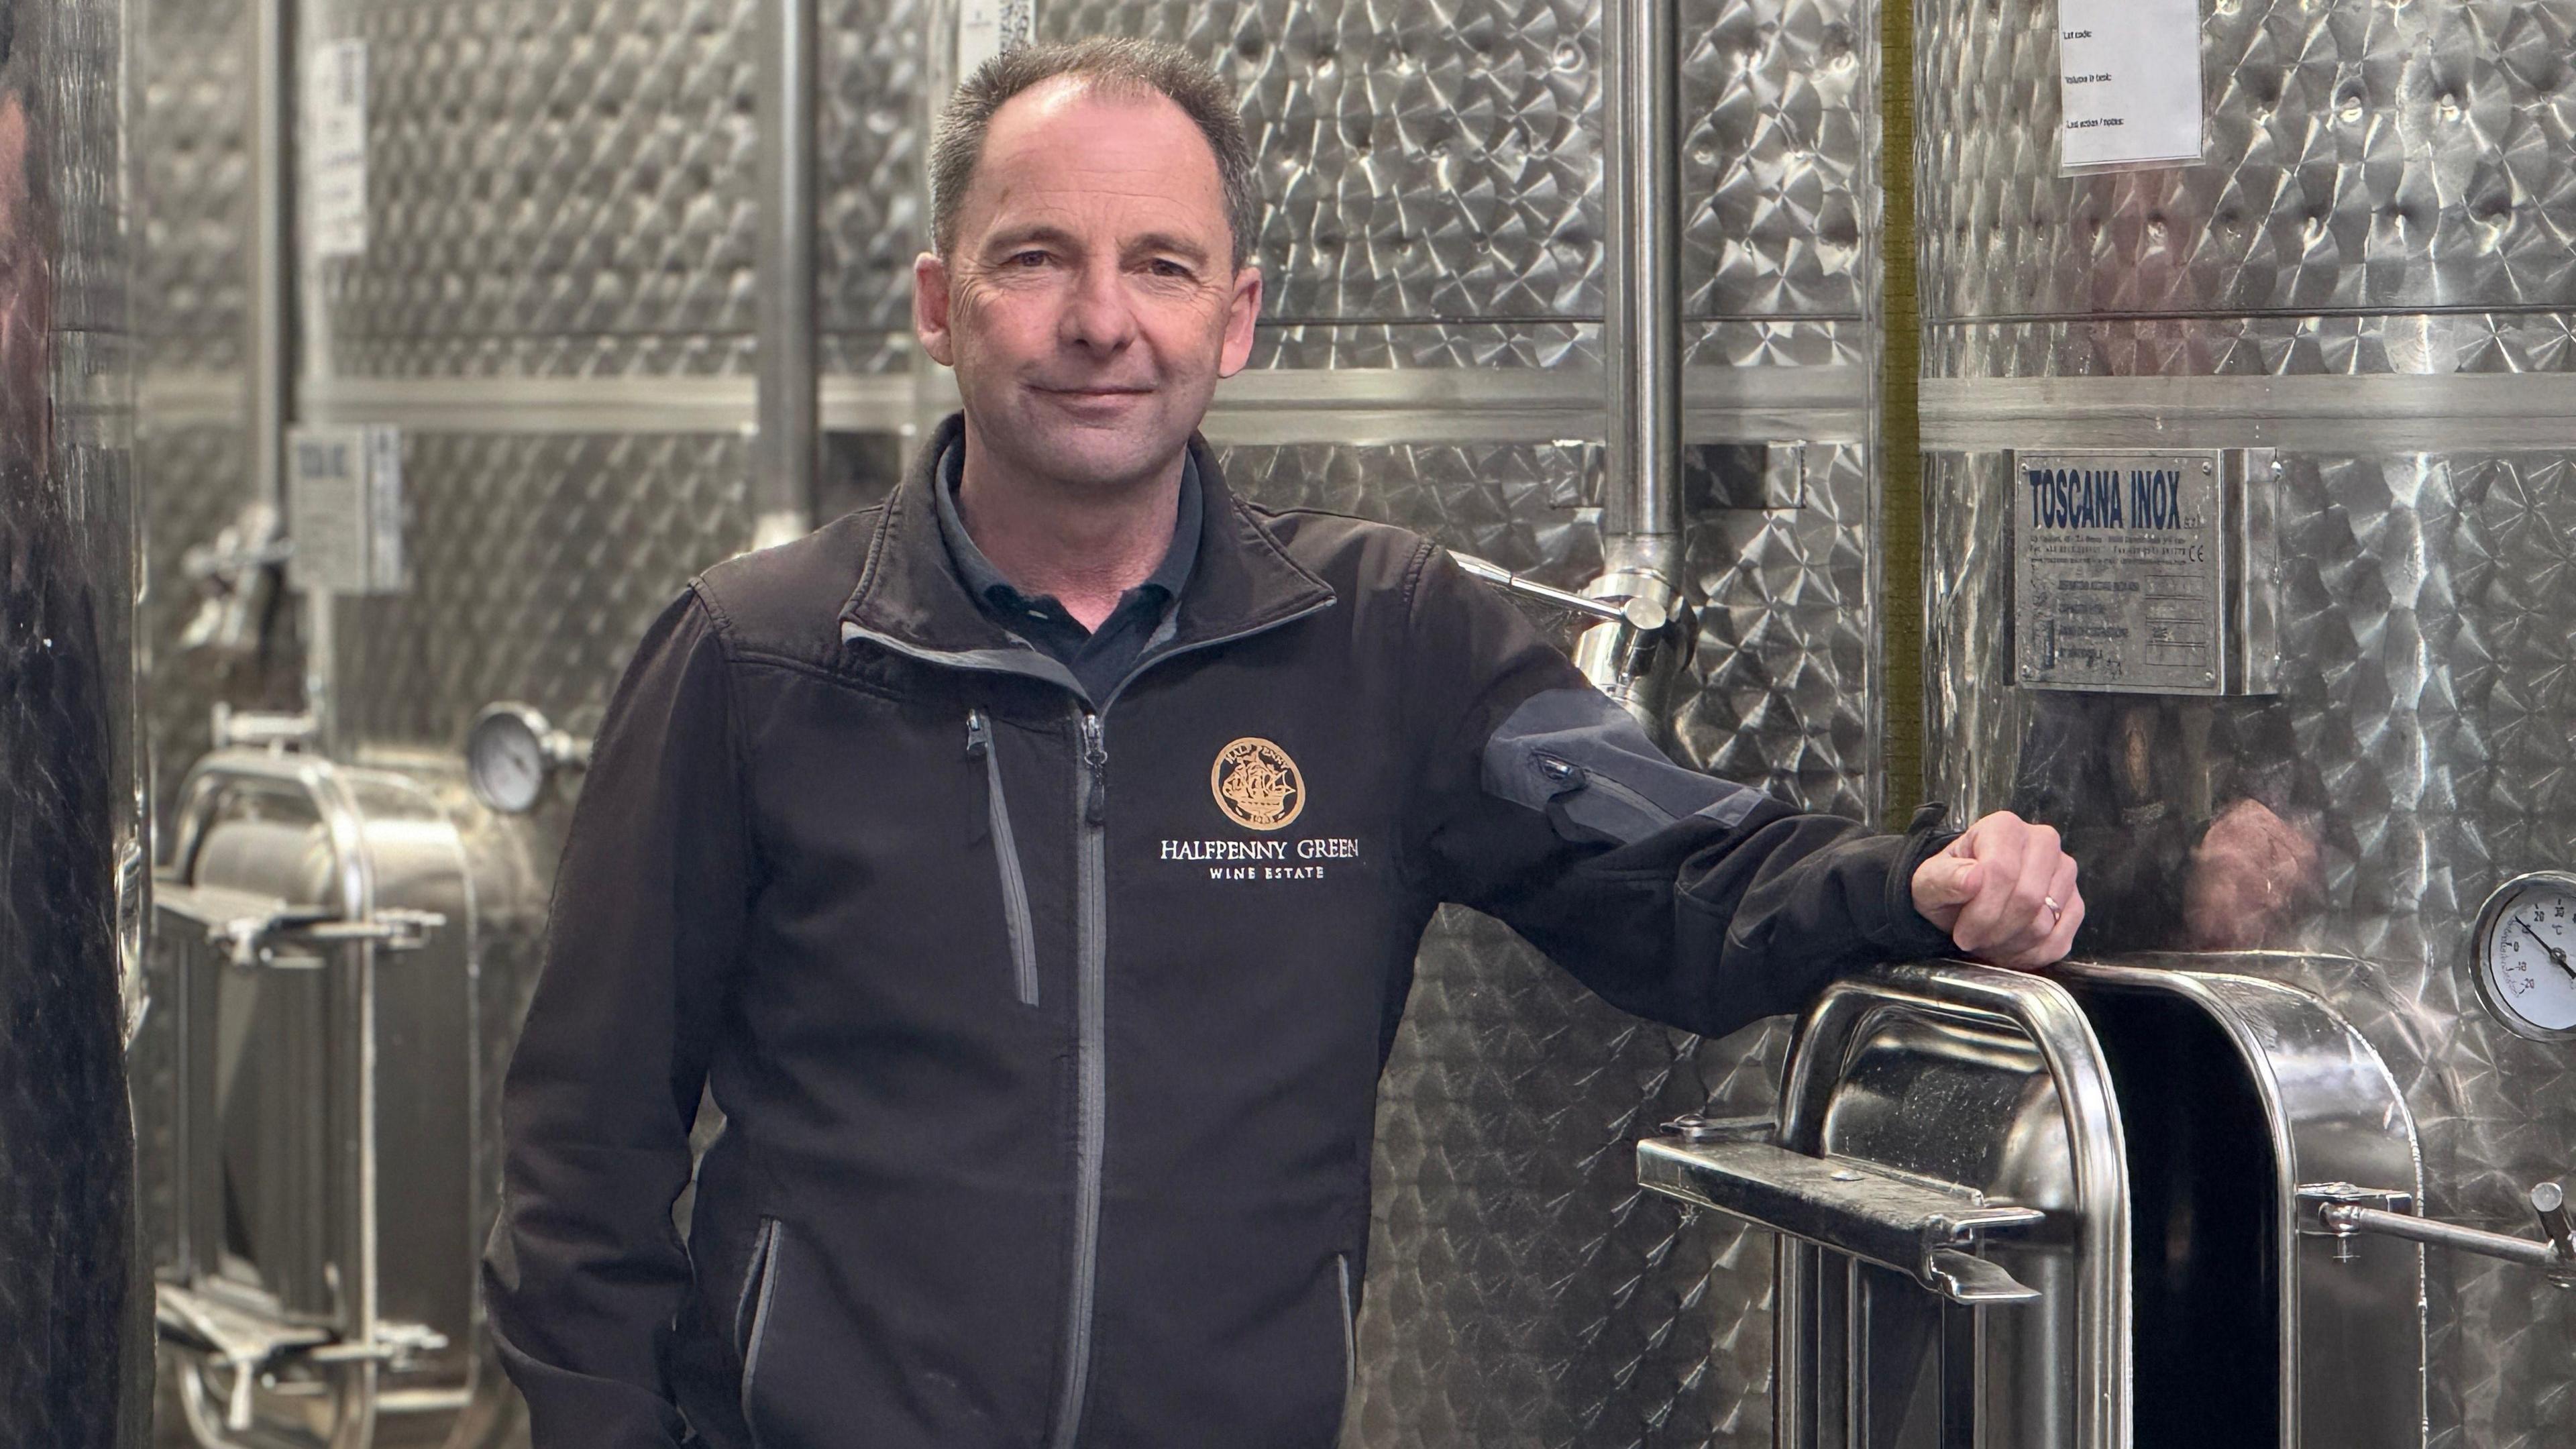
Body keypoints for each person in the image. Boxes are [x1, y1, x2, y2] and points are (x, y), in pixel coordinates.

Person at [482, 38, 2083, 1449]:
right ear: (936, 303)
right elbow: (585, 1148)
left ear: (1236, 318)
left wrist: (1917, 880)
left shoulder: (1381, 639)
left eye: (1162, 267)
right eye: (1037, 258)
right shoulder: (761, 659)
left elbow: (1685, 882)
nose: (1102, 320)